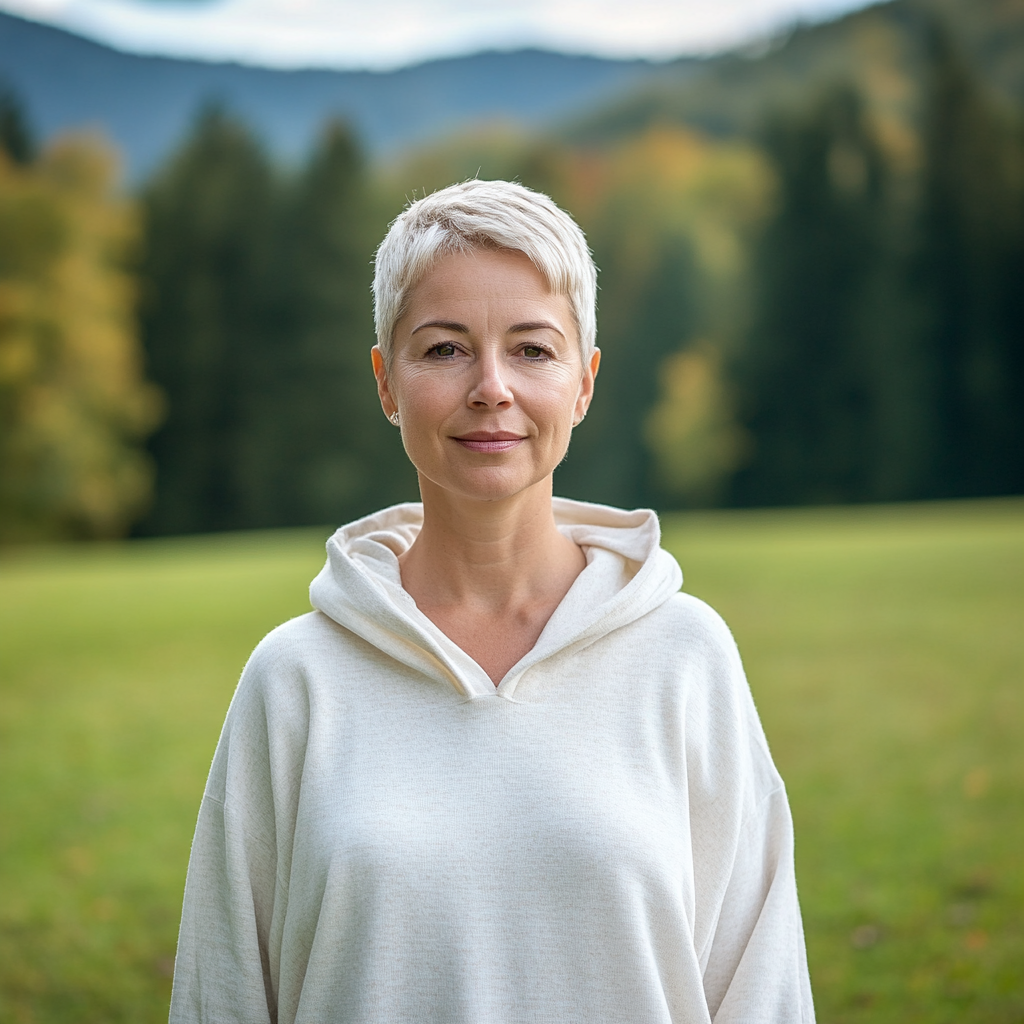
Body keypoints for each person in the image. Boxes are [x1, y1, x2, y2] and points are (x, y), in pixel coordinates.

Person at [169, 179, 815, 1024]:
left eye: (532, 350)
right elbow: (223, 995)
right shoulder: (294, 680)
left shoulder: (687, 657)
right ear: (385, 381)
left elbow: (760, 987)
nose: (491, 387)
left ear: (583, 383)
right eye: (443, 349)